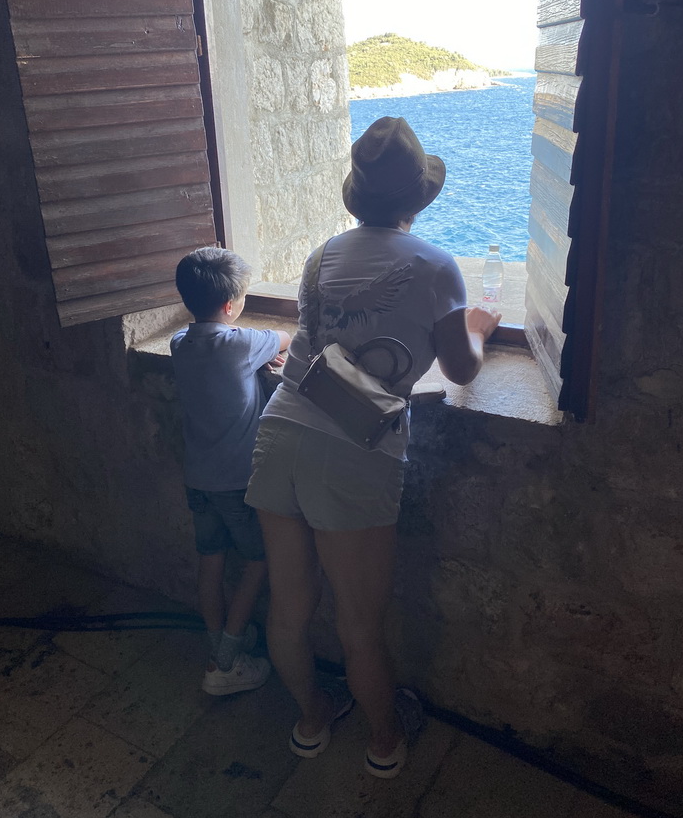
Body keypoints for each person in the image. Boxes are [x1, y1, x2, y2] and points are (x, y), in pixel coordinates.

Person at [245, 117, 501, 776]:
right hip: (351, 453)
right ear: (417, 200)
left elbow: (312, 338)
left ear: (356, 195)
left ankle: (310, 719)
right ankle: (385, 741)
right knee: (360, 625)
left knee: (290, 604)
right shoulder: (437, 266)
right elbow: (462, 370)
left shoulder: (322, 255)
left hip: (280, 429)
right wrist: (479, 325)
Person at [171, 247, 291, 695]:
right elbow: (283, 338)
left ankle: (216, 640)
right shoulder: (241, 344)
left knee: (212, 560)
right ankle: (226, 659)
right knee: (259, 562)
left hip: (197, 480)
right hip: (236, 483)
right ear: (231, 304)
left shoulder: (179, 343)